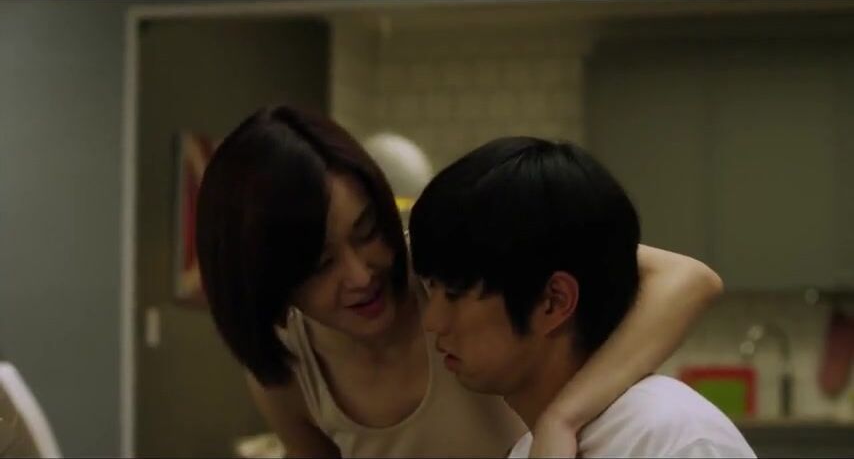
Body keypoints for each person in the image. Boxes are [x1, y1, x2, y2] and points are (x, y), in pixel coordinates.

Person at [195, 105, 723, 458]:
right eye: (319, 265)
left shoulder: (445, 260)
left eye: (367, 230)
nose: (360, 274)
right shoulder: (286, 365)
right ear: (270, 280)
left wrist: (562, 419)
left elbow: (686, 278)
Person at [409, 136, 755, 458]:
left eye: (454, 294)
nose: (432, 321)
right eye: (429, 288)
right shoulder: (532, 449)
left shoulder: (669, 437)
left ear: (554, 302)